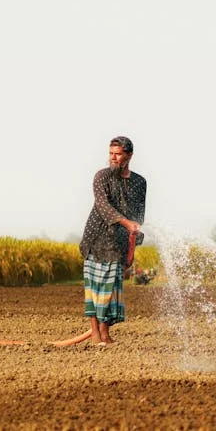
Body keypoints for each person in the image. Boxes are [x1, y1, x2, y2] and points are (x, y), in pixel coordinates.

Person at [79, 136, 146, 345]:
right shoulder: (102, 177)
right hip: (96, 238)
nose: (113, 158)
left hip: (119, 242)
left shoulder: (139, 182)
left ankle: (105, 333)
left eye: (118, 154)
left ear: (129, 156)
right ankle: (96, 334)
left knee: (111, 289)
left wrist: (133, 239)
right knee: (95, 288)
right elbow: (103, 206)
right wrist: (126, 223)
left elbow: (139, 214)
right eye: (111, 154)